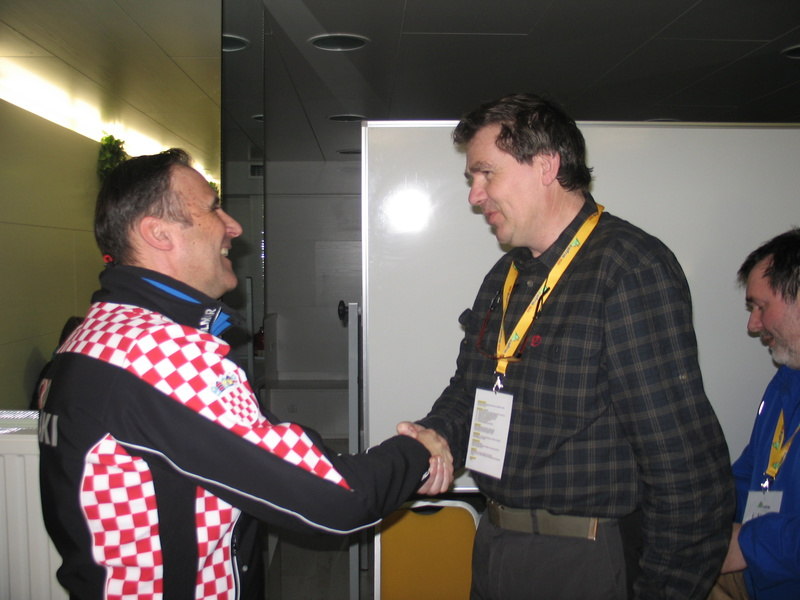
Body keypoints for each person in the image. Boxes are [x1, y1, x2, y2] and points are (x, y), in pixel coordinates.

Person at [37, 148, 451, 600]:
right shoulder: (159, 353)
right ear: (158, 233)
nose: (232, 226)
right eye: (212, 208)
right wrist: (419, 449)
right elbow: (339, 497)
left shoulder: (93, 334)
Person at [396, 93, 733, 599]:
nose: (475, 196)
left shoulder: (628, 269)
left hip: (583, 558)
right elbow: (471, 392)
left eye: (486, 174)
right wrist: (436, 436)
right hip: (497, 542)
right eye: (472, 179)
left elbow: (682, 467)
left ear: (546, 165)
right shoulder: (504, 277)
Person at [708, 229, 800, 600]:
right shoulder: (786, 381)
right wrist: (700, 505)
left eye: (761, 307)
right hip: (757, 578)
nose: (753, 325)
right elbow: (753, 475)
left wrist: (746, 544)